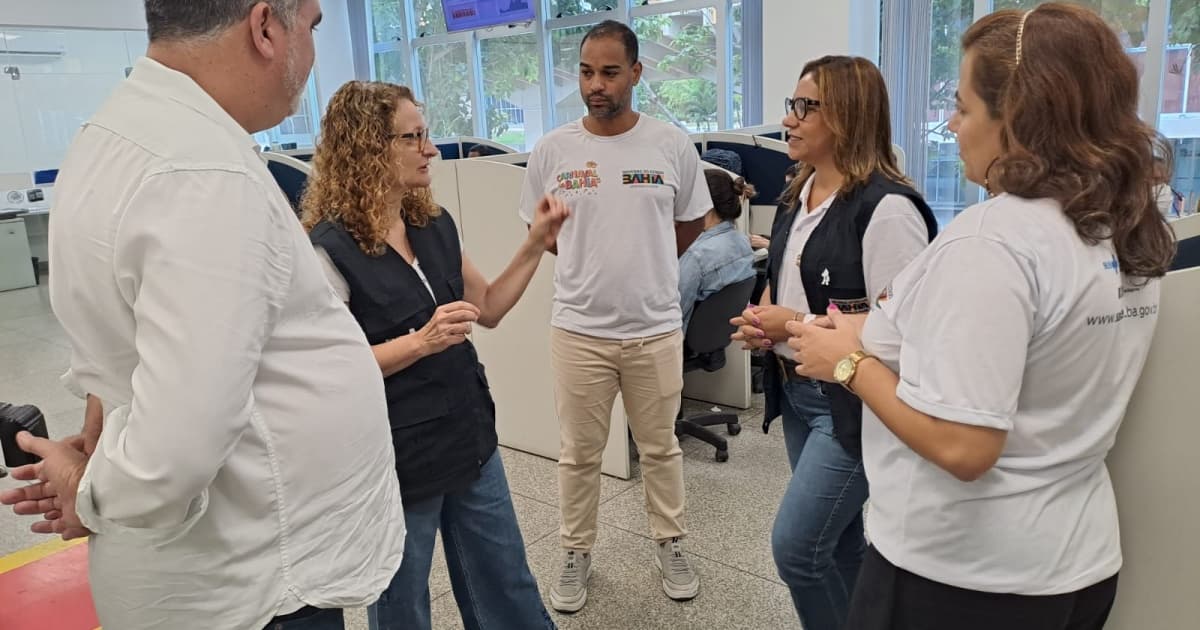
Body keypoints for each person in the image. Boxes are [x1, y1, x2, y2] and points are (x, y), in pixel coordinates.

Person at [0, 2, 406, 629]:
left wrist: (103, 429)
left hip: (230, 573)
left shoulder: (119, 133)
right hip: (253, 587)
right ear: (267, 26)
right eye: (315, 25)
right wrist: (88, 492)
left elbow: (129, 338)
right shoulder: (201, 172)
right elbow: (174, 454)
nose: (315, 47)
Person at [786, 5, 1176, 629]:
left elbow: (965, 446)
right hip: (1075, 560)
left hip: (960, 575)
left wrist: (850, 364)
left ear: (1018, 116)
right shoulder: (1118, 224)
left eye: (964, 107)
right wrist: (867, 334)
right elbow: (1030, 360)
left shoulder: (993, 242)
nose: (951, 123)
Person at [300, 81, 564, 630]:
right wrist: (420, 341)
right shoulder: (328, 249)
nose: (431, 150)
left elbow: (487, 306)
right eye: (414, 137)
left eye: (427, 135)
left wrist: (537, 241)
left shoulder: (433, 224)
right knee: (402, 601)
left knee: (506, 579)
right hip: (398, 455)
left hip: (469, 434)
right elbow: (331, 369)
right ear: (369, 148)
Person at [731, 56, 937, 630]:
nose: (788, 120)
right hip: (800, 395)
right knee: (841, 542)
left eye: (805, 107)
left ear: (847, 116)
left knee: (797, 549)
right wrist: (762, 321)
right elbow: (784, 275)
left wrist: (790, 322)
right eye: (790, 106)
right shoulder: (800, 193)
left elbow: (903, 332)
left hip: (853, 405)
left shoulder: (887, 209)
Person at [518, 19, 712, 613]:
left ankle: (671, 541)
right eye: (584, 71)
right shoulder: (554, 149)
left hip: (654, 328)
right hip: (579, 330)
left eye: (607, 72)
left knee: (660, 449)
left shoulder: (670, 144)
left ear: (635, 72)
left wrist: (644, 265)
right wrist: (590, 264)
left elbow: (687, 225)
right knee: (579, 453)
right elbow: (543, 233)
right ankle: (576, 551)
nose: (595, 85)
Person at [678, 169, 757, 330]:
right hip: (716, 347)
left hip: (684, 350)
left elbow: (675, 313)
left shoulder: (697, 255)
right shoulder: (742, 242)